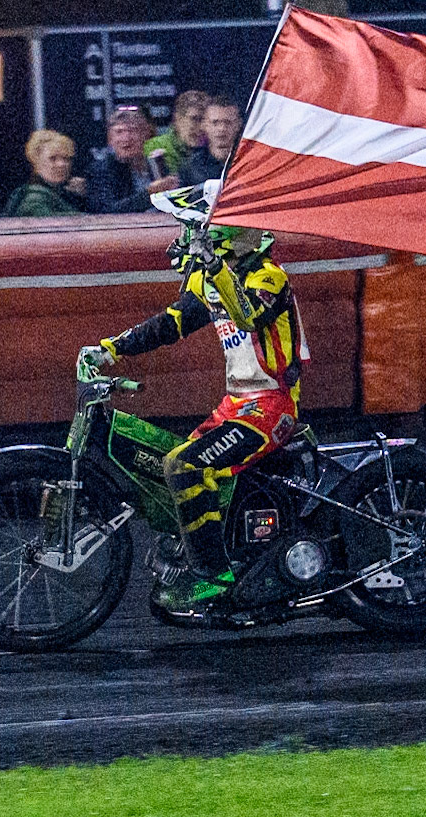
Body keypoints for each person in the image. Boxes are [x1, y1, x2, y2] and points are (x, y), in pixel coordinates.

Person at [80, 180, 304, 621]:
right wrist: (111, 348)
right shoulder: (211, 277)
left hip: (271, 407)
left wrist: (209, 261)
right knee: (173, 466)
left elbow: (246, 313)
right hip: (236, 404)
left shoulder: (267, 275)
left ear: (217, 229)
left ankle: (213, 576)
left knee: (185, 467)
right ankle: (223, 555)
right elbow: (171, 324)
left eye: (192, 228)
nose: (182, 238)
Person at [89, 105, 178, 213]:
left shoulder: (157, 163)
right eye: (119, 132)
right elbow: (107, 211)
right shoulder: (101, 171)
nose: (126, 138)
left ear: (145, 135)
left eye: (132, 130)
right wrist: (149, 194)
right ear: (110, 139)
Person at [5, 130, 88, 216]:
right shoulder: (34, 200)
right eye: (53, 158)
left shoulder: (63, 194)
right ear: (35, 160)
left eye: (66, 158)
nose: (61, 164)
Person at [145, 90, 210, 177]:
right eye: (195, 119)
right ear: (178, 119)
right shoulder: (155, 146)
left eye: (207, 120)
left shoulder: (215, 150)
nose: (202, 127)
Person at [180, 96, 242, 185]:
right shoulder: (189, 169)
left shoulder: (249, 161)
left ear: (238, 125)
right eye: (215, 122)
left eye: (228, 122)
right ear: (204, 125)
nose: (222, 128)